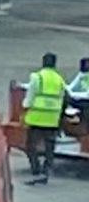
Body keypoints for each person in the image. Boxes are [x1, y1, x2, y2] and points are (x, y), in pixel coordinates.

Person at [30, 52, 68, 185]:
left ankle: (36, 169)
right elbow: (65, 98)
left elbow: (30, 97)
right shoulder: (59, 80)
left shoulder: (37, 77)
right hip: (52, 119)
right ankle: (46, 170)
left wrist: (25, 108)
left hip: (36, 118)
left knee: (31, 146)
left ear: (43, 62)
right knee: (49, 147)